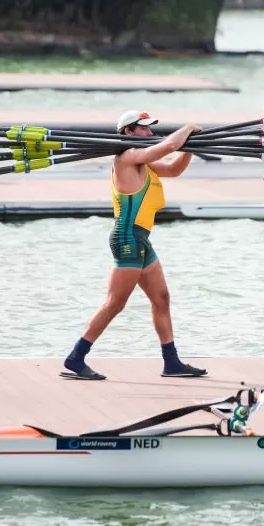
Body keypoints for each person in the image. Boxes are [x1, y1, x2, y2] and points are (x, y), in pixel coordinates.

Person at [63, 111, 208, 380]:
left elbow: (174, 168)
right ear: (128, 132)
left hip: (141, 240)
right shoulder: (127, 158)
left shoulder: (145, 163)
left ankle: (172, 362)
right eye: (144, 130)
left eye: (150, 129)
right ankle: (76, 357)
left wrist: (190, 148)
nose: (150, 133)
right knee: (115, 303)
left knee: (161, 299)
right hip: (127, 237)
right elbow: (169, 146)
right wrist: (187, 128)